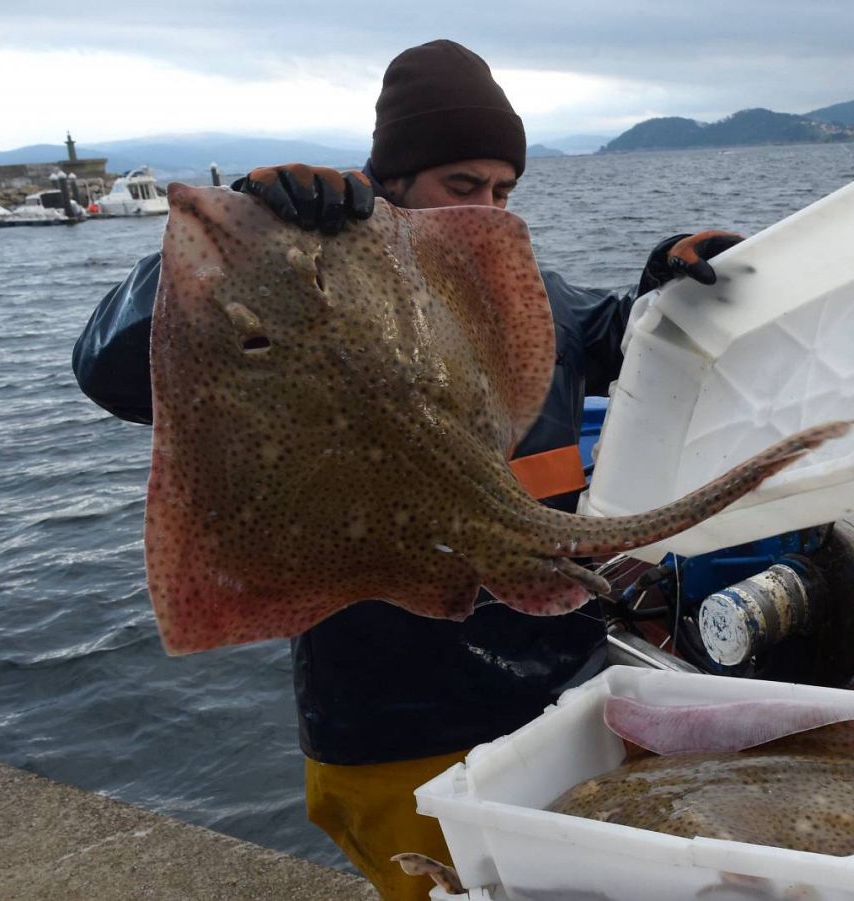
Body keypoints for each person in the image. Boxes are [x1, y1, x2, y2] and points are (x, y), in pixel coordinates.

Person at [71, 39, 740, 901]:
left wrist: (660, 287)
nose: (488, 213)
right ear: (388, 182)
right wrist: (248, 218)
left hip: (557, 689)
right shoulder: (281, 272)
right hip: (397, 722)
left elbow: (607, 334)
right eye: (462, 188)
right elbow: (110, 363)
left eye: (504, 192)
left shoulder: (511, 287)